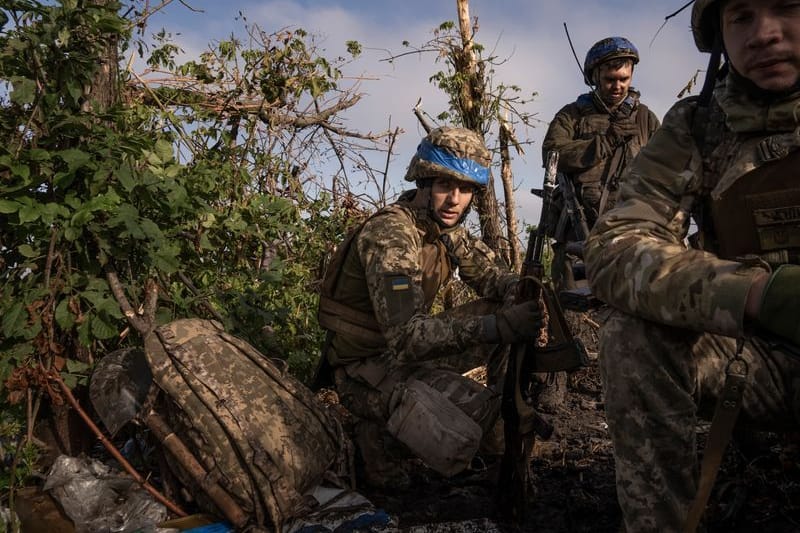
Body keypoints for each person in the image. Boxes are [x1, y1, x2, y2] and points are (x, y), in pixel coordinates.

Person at [584, 1, 800, 531]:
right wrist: (753, 294)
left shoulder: (647, 117)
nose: (764, 35)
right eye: (742, 16)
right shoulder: (700, 124)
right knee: (632, 331)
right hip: (765, 356)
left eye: (789, 7)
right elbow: (615, 243)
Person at [316, 126, 543, 487]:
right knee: (467, 424)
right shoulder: (391, 234)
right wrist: (499, 326)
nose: (455, 199)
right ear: (423, 183)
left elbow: (491, 276)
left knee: (498, 419)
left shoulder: (443, 227)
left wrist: (523, 290)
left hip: (403, 355)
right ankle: (376, 440)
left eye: (466, 189)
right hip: (365, 369)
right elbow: (408, 338)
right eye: (444, 186)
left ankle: (497, 440)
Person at [542, 36, 660, 290]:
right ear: (595, 76)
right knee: (575, 315)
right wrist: (603, 142)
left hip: (634, 235)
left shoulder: (646, 119)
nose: (617, 86)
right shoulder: (571, 116)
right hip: (579, 234)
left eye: (624, 79)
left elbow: (667, 171)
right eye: (610, 80)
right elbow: (551, 155)